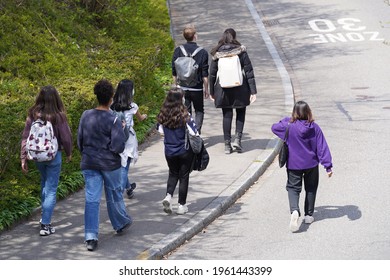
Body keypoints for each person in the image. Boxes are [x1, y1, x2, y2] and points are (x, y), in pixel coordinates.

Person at [77, 79, 132, 251]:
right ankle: (120, 223)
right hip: (109, 163)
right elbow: (118, 145)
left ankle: (91, 236)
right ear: (111, 98)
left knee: (91, 199)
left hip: (90, 161)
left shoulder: (86, 115)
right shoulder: (114, 118)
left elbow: (80, 140)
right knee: (114, 194)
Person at [271, 101, 333, 232]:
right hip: (311, 163)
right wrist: (328, 166)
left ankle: (294, 211)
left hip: (294, 164)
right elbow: (322, 147)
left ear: (294, 113)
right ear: (308, 112)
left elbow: (274, 127)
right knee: (311, 188)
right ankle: (309, 215)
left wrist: (289, 119)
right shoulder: (314, 127)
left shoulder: (289, 126)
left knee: (293, 188)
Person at [20, 85, 73, 236]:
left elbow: (25, 136)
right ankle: (45, 224)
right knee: (51, 189)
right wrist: (69, 153)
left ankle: (44, 215)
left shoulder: (33, 113)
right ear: (56, 97)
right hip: (53, 155)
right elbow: (66, 137)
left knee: (45, 184)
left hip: (37, 155)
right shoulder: (58, 115)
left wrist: (23, 157)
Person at [209, 28, 257, 154]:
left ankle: (227, 145)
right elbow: (249, 71)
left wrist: (211, 91)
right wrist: (253, 91)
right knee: (241, 113)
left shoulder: (217, 53)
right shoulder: (241, 51)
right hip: (240, 87)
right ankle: (238, 140)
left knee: (227, 115)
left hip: (223, 88)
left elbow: (212, 74)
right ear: (234, 37)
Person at [157, 87, 198, 215]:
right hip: (184, 150)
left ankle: (168, 196)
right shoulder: (185, 115)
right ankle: (181, 205)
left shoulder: (162, 115)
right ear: (181, 99)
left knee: (173, 173)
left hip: (169, 150)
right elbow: (194, 132)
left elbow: (161, 132)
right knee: (184, 176)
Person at [111, 79, 147, 199]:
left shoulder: (112, 106)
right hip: (128, 138)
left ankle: (129, 188)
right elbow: (141, 118)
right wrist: (145, 116)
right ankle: (118, 195)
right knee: (124, 167)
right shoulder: (132, 106)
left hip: (115, 138)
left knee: (121, 164)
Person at [172, 24, 209, 134]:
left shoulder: (178, 50)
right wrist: (206, 89)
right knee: (199, 110)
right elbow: (204, 73)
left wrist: (176, 85)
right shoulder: (202, 52)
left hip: (183, 86)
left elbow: (174, 70)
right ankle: (196, 133)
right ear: (195, 36)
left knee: (186, 111)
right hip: (196, 87)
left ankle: (189, 132)